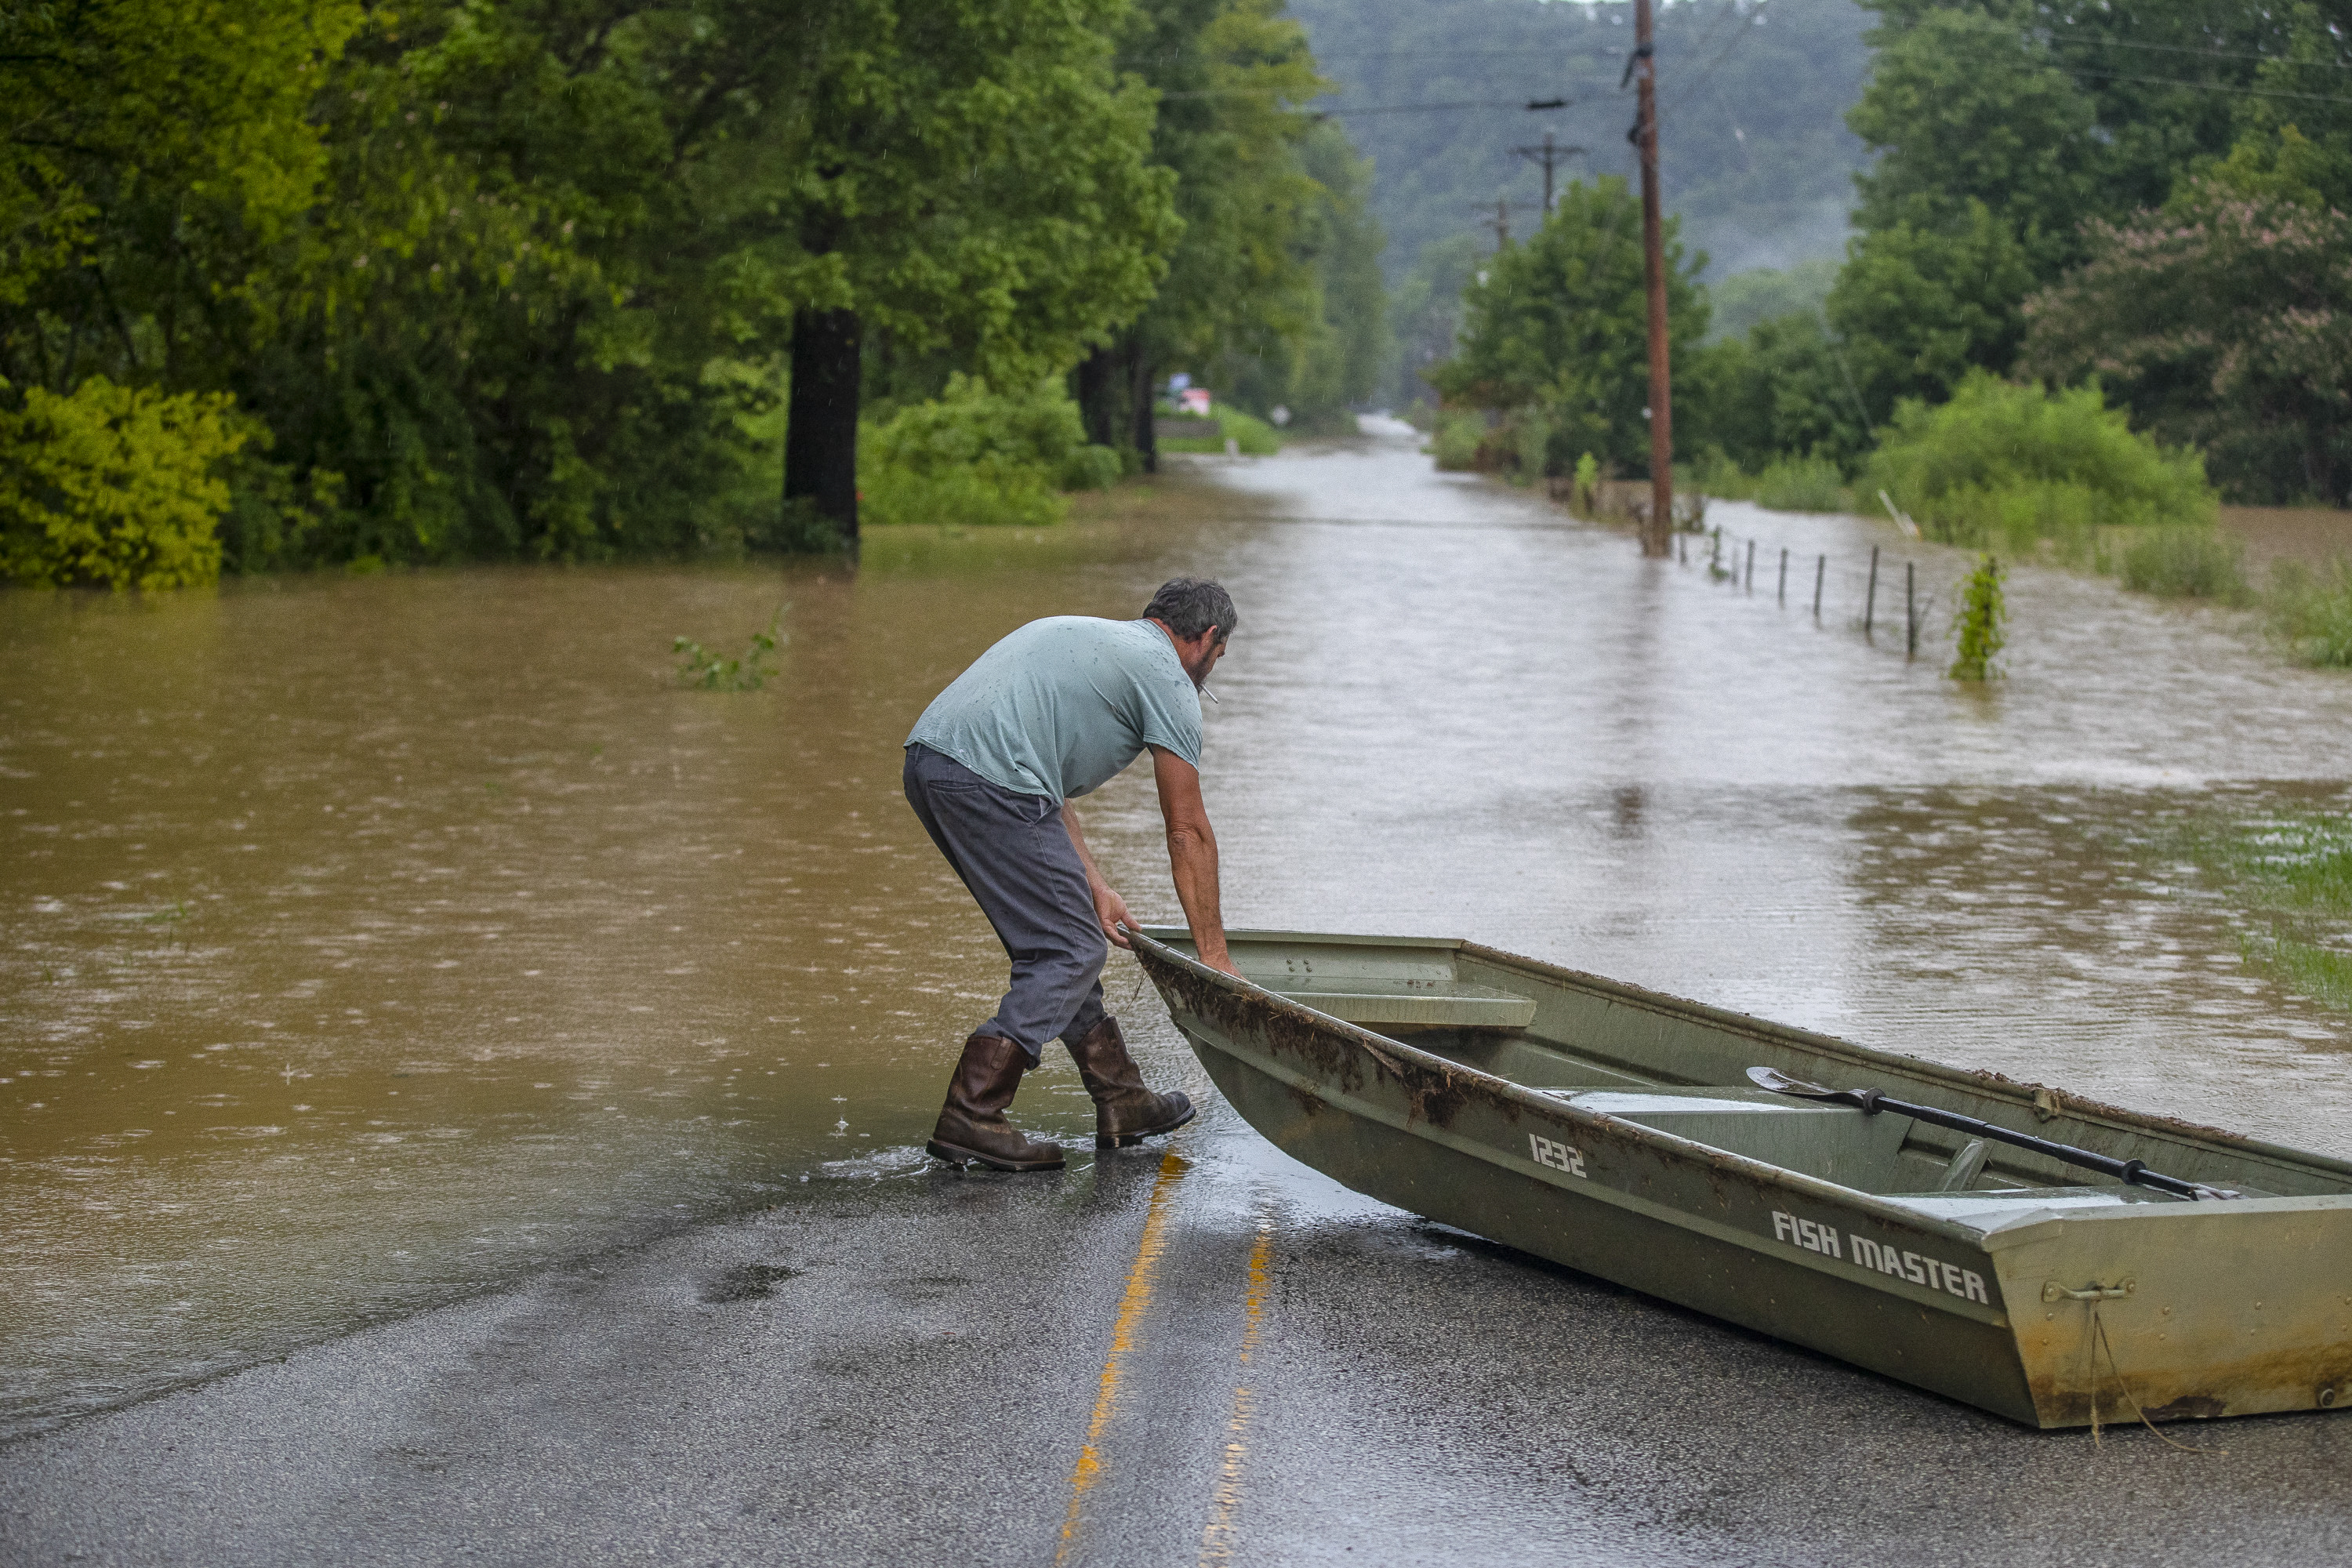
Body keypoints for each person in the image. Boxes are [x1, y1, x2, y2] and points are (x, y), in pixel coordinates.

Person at [902, 578, 1240, 1171]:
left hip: (933, 764)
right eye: (1220, 653)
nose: (1215, 665)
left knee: (1065, 935)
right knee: (1068, 949)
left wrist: (1096, 886)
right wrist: (1214, 958)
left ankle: (1121, 1099)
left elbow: (1045, 784)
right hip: (988, 779)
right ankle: (972, 1112)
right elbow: (1187, 831)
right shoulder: (1168, 678)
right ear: (1208, 637)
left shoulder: (1085, 638)